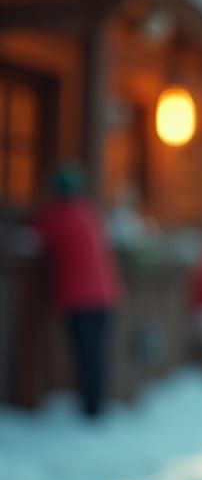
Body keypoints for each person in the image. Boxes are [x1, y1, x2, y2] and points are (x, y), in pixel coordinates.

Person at [35, 164, 122, 417]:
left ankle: (91, 410)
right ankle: (96, 405)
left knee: (86, 353)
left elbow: (35, 237)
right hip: (106, 294)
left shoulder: (57, 217)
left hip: (80, 296)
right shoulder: (89, 213)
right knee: (97, 353)